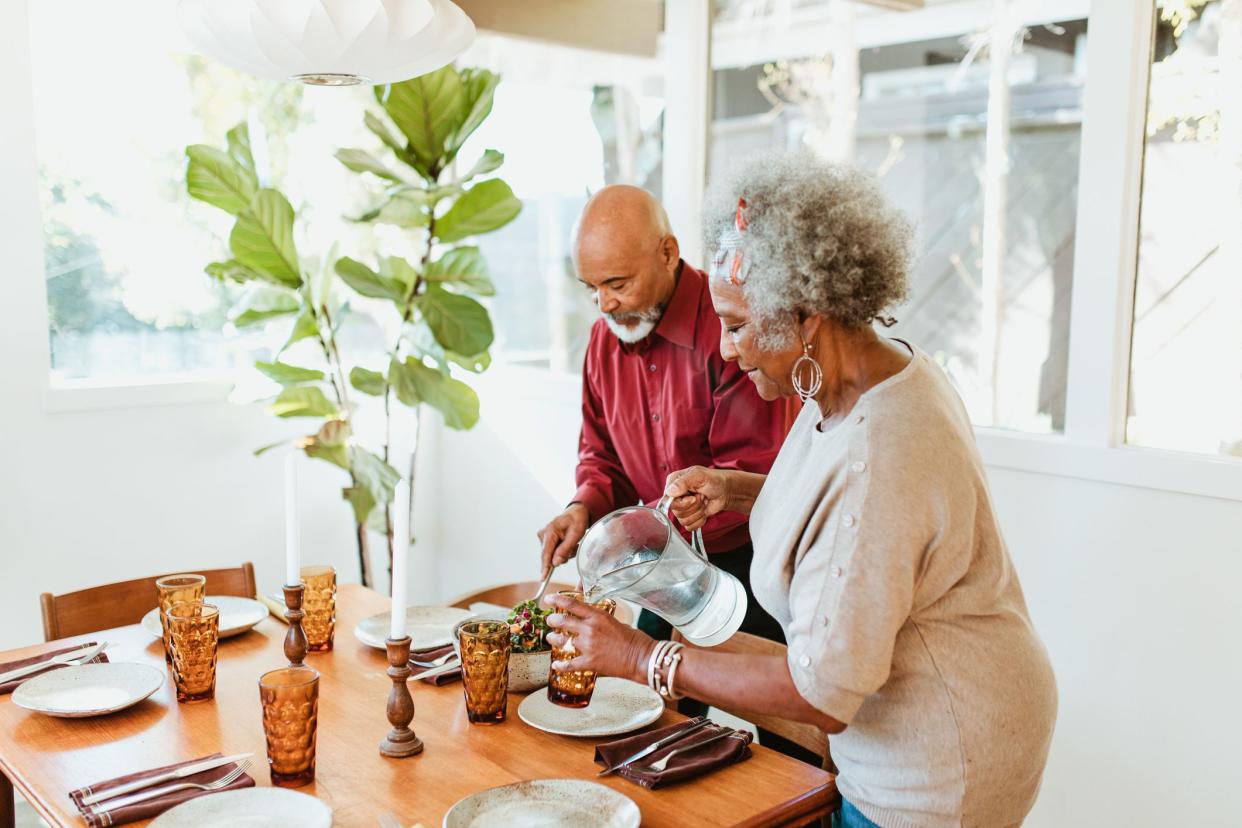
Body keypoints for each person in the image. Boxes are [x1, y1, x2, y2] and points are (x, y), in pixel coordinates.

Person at [543, 152, 1058, 828]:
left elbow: (822, 695)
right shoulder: (854, 381)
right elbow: (835, 502)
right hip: (908, 722)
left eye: (736, 326)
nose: (726, 351)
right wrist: (734, 489)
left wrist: (644, 657)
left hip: (939, 762)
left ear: (806, 313)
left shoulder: (884, 446)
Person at [535, 184, 811, 756]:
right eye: (592, 290)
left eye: (617, 284)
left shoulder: (734, 328)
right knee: (650, 734)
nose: (605, 305)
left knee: (791, 753)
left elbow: (755, 469)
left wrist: (689, 508)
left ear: (667, 252)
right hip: (660, 570)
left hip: (753, 567)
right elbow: (601, 453)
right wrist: (581, 507)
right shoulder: (602, 342)